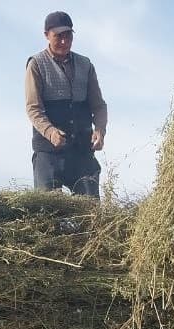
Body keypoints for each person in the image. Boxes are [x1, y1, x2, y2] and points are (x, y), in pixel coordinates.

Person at [25, 11, 108, 198]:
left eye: (68, 36)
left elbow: (99, 106)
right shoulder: (36, 64)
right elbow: (33, 108)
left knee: (90, 208)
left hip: (81, 151)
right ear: (46, 35)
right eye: (58, 36)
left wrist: (100, 130)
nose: (64, 41)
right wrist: (50, 132)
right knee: (47, 208)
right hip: (48, 153)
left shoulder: (86, 65)